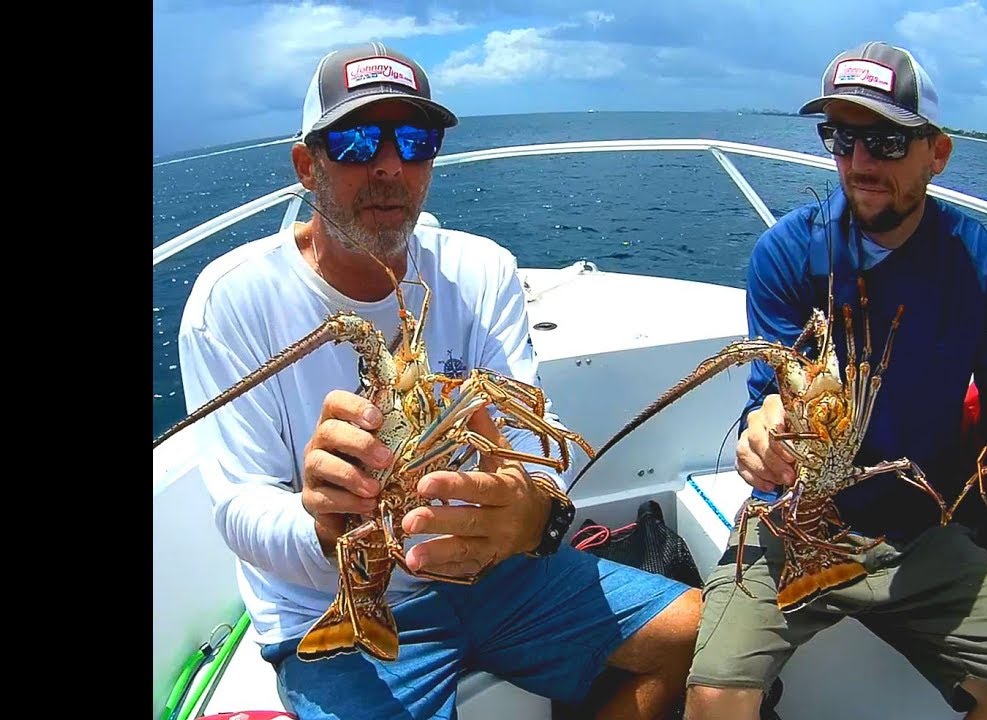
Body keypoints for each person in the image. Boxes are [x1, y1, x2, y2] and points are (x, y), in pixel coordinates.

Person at [178, 41, 700, 720]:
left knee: (697, 633)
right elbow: (240, 506)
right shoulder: (232, 302)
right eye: (358, 140)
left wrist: (534, 508)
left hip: (490, 574)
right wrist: (324, 525)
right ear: (307, 165)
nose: (389, 165)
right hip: (330, 603)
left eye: (416, 140)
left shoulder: (478, 271)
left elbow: (530, 437)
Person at [682, 41, 987, 720]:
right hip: (798, 523)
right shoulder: (788, 254)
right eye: (841, 137)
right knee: (714, 690)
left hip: (919, 526)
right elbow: (765, 401)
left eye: (885, 140)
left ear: (935, 153)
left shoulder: (974, 260)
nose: (858, 163)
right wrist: (760, 439)